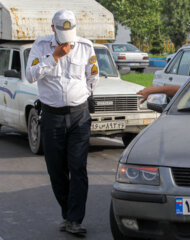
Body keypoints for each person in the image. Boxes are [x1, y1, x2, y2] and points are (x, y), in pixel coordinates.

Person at [26, 9, 99, 235]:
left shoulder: (85, 47)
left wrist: (84, 97)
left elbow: (92, 76)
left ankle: (75, 219)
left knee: (77, 167)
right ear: (53, 30)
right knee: (56, 170)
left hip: (79, 116)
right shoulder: (40, 46)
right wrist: (54, 56)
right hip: (52, 116)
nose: (69, 40)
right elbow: (30, 75)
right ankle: (68, 213)